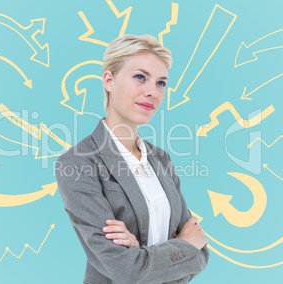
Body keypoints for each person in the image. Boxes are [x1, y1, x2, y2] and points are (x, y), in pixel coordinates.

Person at [55, 34, 209, 284]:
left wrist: (142, 254)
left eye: (161, 83)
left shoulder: (161, 159)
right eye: (140, 77)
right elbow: (125, 270)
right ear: (109, 80)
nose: (152, 92)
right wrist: (179, 249)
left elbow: (200, 252)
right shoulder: (78, 163)